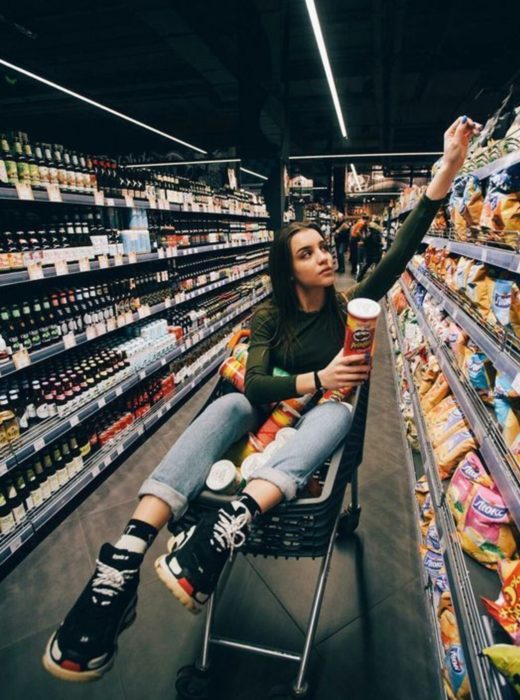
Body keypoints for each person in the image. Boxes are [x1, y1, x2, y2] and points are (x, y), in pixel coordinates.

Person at [42, 116, 481, 682]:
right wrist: (319, 378)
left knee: (337, 419)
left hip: (304, 433)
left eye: (324, 248)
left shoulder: (349, 308)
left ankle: (228, 524)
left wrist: (446, 168)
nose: (325, 257)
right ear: (288, 269)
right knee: (226, 405)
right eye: (308, 253)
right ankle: (124, 561)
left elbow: (402, 246)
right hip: (263, 419)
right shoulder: (270, 315)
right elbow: (252, 385)